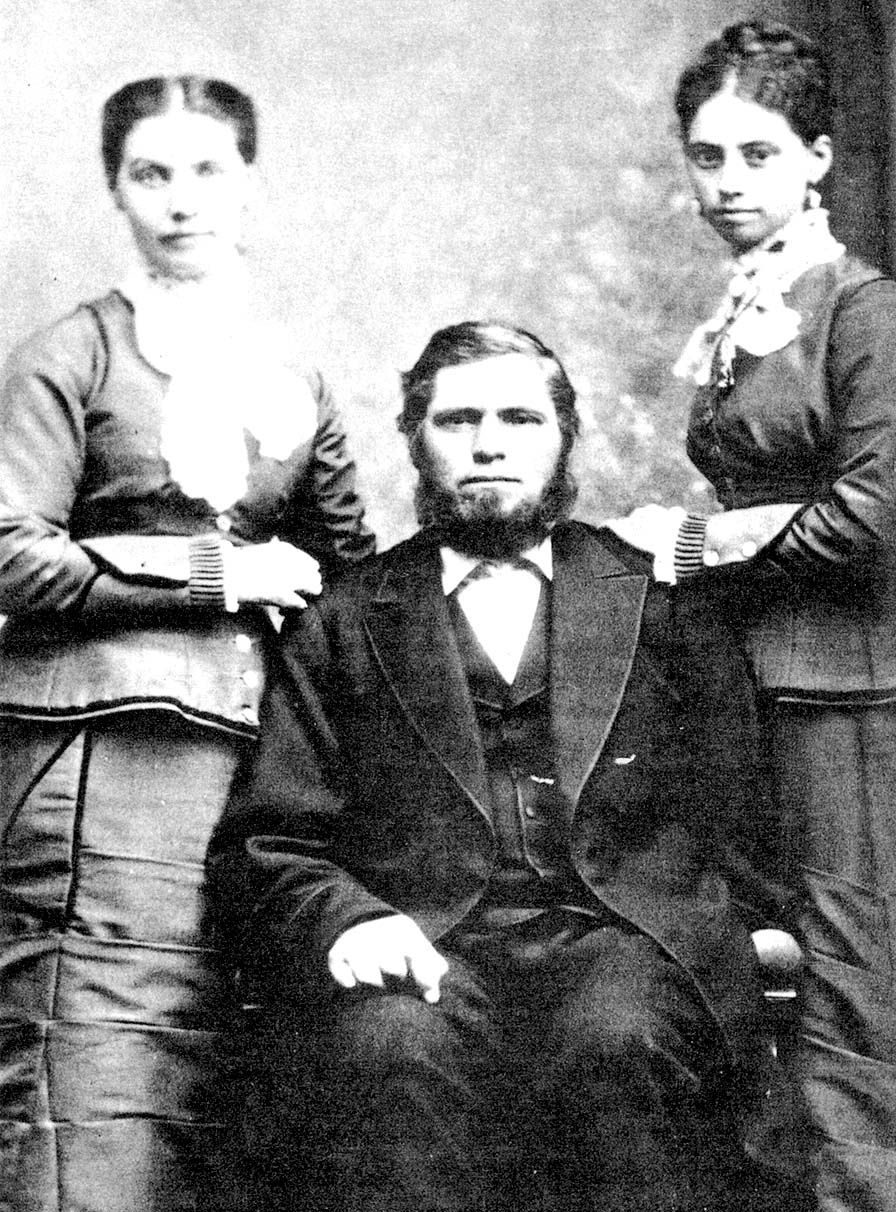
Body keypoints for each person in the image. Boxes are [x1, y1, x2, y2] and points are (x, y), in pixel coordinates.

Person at [209, 320, 802, 1212]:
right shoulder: (344, 616)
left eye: (520, 419)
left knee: (619, 1041)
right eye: (457, 421)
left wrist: (728, 933)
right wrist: (351, 922)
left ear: (565, 437)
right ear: (414, 439)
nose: (489, 443)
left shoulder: (657, 597)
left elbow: (743, 814)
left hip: (621, 938)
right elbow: (271, 838)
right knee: (386, 1054)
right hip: (426, 941)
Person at [0, 75, 374, 1212]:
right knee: (99, 1051)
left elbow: (349, 570)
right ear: (116, 190)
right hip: (101, 749)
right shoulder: (75, 354)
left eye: (206, 171)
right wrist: (214, 574)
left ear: (250, 185)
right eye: (150, 175)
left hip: (256, 753)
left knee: (227, 1054)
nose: (180, 201)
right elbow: (11, 554)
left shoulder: (293, 372)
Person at [607, 21, 896, 1212]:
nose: (726, 183)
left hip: (846, 683)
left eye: (756, 156)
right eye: (706, 156)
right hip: (739, 678)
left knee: (852, 970)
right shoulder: (748, 306)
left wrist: (693, 545)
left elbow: (873, 512)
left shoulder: (860, 310)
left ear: (817, 158)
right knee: (746, 957)